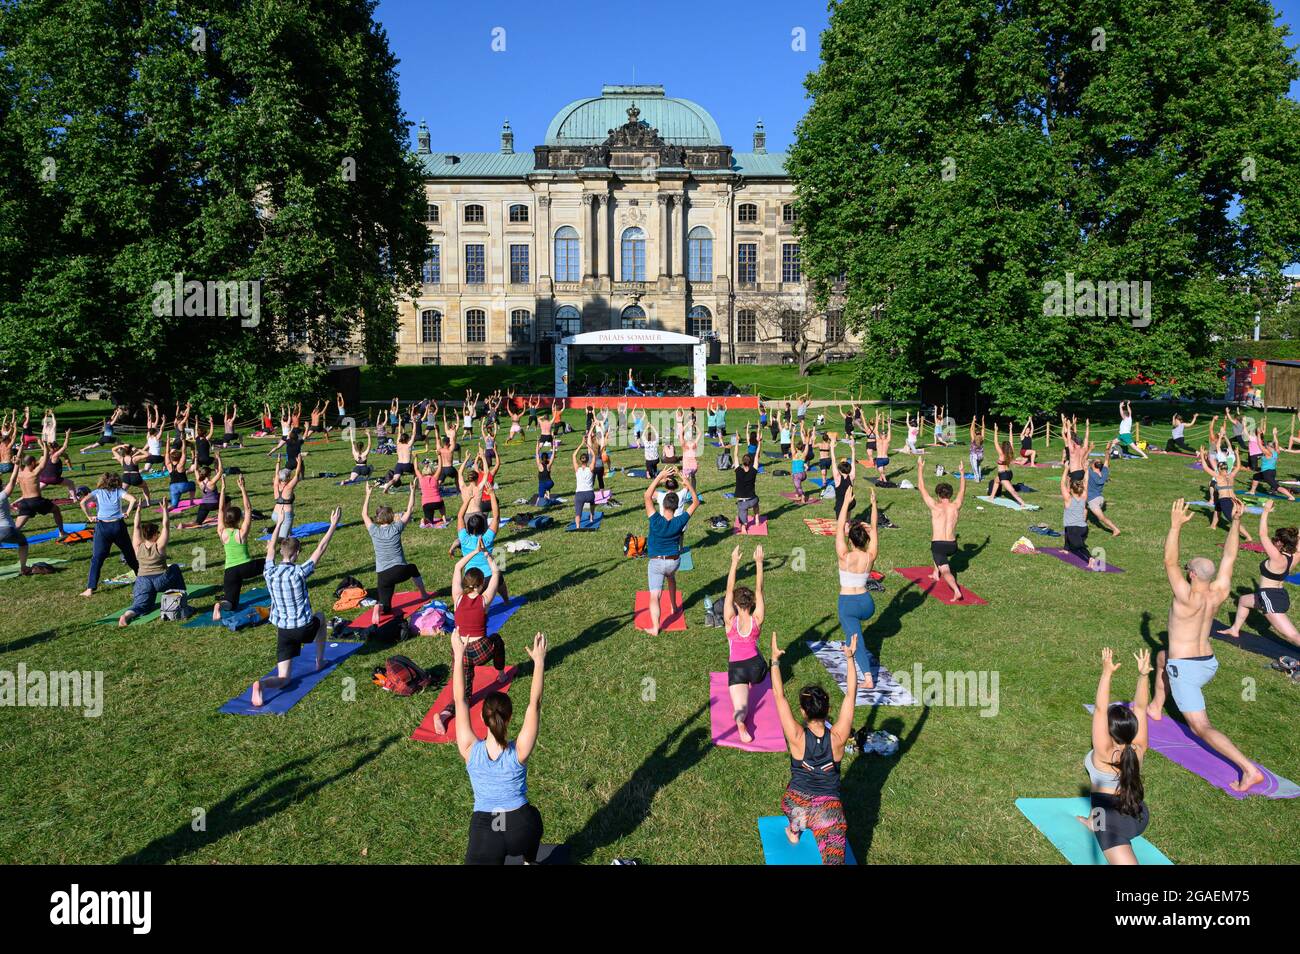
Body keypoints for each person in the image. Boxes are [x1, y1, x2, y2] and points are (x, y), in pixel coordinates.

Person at [1149, 498, 1265, 792]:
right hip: (1208, 663)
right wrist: (1236, 522)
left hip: (1186, 670)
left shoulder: (1186, 596)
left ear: (1191, 575)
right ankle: (1155, 706)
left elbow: (1168, 561)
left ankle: (1248, 769)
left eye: (1187, 569)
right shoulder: (1219, 591)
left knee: (1201, 727)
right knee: (1161, 656)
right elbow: (1229, 557)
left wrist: (1175, 526)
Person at [451, 629, 547, 865]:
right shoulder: (519, 752)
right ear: (510, 718)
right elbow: (534, 704)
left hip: (485, 834)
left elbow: (460, 700)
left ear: (483, 719)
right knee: (534, 817)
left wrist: (459, 654)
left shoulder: (469, 750)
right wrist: (539, 662)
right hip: (521, 830)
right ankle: (529, 861)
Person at [770, 629, 856, 864]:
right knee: (834, 853)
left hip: (796, 806)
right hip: (828, 815)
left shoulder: (797, 736)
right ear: (828, 710)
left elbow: (779, 696)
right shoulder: (838, 737)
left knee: (797, 806)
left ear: (803, 711)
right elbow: (850, 696)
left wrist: (775, 661)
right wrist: (849, 658)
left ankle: (794, 831)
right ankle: (808, 831)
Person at [252, 506, 344, 708]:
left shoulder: (269, 572)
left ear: (282, 552)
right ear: (297, 553)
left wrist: (279, 524)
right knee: (320, 616)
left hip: (283, 631)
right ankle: (320, 661)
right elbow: (320, 549)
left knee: (283, 678)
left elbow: (270, 550)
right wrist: (333, 525)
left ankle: (261, 685)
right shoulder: (299, 572)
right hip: (302, 628)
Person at [1079, 647, 1152, 864]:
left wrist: (1106, 673)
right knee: (1102, 805)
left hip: (1112, 823)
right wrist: (1143, 675)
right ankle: (1095, 822)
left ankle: (1099, 825)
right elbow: (1140, 707)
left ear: (1109, 732)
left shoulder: (1104, 753)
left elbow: (1100, 709)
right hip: (1139, 813)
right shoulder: (1137, 747)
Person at [431, 543, 506, 735]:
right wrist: (487, 555)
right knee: (497, 640)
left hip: (460, 652)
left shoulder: (456, 598)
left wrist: (473, 552)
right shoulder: (484, 600)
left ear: (465, 583)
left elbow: (457, 567)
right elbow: (496, 574)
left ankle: (445, 714)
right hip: (479, 650)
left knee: (463, 695)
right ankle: (501, 673)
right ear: (481, 585)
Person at [1222, 501, 1300, 647]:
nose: (1274, 540)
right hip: (1278, 594)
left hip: (1270, 599)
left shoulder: (1277, 558)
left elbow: (1262, 534)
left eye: (1276, 539)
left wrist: (1265, 511)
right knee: (1244, 600)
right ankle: (1234, 629)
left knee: (1292, 635)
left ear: (1281, 544)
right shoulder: (1294, 556)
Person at [643, 466, 700, 636]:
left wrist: (660, 475)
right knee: (671, 577)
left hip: (656, 563)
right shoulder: (680, 521)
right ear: (676, 507)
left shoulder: (655, 519)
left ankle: (655, 628)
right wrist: (687, 483)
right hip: (674, 562)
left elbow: (647, 496)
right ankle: (674, 606)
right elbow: (695, 502)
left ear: (662, 505)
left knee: (655, 596)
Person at [362, 481, 429, 617]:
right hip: (400, 570)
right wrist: (412, 490)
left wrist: (368, 494)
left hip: (383, 576)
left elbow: (364, 515)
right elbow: (409, 509)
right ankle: (423, 594)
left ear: (377, 518)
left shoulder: (373, 530)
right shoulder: (396, 528)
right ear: (391, 517)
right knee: (413, 568)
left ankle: (379, 608)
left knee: (386, 607)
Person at [723, 544, 769, 744]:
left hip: (737, 670)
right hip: (757, 669)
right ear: (751, 604)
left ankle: (741, 724)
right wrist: (759, 563)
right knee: (757, 653)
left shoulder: (729, 620)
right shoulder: (757, 619)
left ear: (735, 603)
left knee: (741, 709)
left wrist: (734, 562)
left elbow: (728, 589)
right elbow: (759, 589)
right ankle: (742, 720)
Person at [835, 485, 879, 687]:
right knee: (851, 635)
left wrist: (845, 502)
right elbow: (875, 528)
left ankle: (868, 678)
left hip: (849, 605)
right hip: (867, 604)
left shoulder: (844, 556)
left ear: (850, 540)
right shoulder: (870, 556)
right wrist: (874, 505)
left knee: (855, 639)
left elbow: (838, 527)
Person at [119, 504, 186, 626]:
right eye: (158, 533)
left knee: (140, 606)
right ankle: (181, 595)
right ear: (155, 534)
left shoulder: (137, 546)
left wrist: (138, 511)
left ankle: (126, 615)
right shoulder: (159, 546)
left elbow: (137, 527)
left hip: (143, 581)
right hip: (161, 580)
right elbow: (166, 526)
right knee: (175, 567)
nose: (159, 534)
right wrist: (165, 510)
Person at [79, 472, 140, 596]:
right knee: (129, 555)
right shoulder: (119, 491)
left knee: (97, 558)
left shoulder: (97, 492)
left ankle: (90, 588)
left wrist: (90, 516)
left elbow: (82, 503)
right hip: (118, 526)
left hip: (103, 527)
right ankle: (142, 577)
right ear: (116, 481)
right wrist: (127, 512)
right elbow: (133, 499)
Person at [917, 458, 966, 600]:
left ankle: (956, 591)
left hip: (938, 545)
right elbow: (962, 490)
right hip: (952, 545)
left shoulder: (935, 506)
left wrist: (920, 467)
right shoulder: (956, 505)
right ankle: (935, 572)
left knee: (946, 569)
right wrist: (962, 473)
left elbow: (921, 487)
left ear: (938, 495)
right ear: (950, 494)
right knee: (938, 554)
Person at [213, 475, 260, 620]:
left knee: (230, 604)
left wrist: (223, 488)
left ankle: (218, 606)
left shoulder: (222, 532)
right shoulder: (242, 533)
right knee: (268, 563)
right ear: (239, 519)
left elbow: (220, 509)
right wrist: (242, 488)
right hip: (246, 568)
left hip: (230, 572)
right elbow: (248, 508)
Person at [454, 490, 507, 600]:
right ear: (484, 526)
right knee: (500, 581)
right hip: (490, 576)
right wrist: (492, 494)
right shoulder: (487, 538)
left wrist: (468, 499)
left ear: (468, 526)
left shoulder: (464, 538)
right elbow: (496, 517)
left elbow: (460, 516)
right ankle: (506, 601)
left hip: (472, 579)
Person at [1060, 469, 1103, 570]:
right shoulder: (1084, 497)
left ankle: (1091, 559)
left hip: (1074, 529)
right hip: (1083, 528)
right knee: (1067, 530)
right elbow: (1086, 482)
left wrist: (1066, 469)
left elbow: (1062, 483)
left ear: (1070, 489)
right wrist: (1087, 469)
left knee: (1079, 547)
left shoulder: (1068, 499)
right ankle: (1066, 549)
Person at [0, 465, 31, 575]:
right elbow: (12, 480)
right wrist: (17, 465)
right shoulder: (2, 496)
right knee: (23, 543)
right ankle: (23, 567)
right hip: (6, 530)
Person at [1248, 429, 1294, 501]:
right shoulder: (1276, 451)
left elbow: (1259, 444)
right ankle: (1252, 491)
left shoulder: (1268, 453)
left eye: (1266, 446)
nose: (1265, 447)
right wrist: (1274, 435)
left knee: (1276, 486)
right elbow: (1276, 443)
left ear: (1269, 447)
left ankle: (1290, 496)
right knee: (1256, 476)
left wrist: (1258, 434)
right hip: (1272, 471)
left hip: (1267, 473)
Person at [730, 434, 762, 529]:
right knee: (756, 503)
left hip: (742, 502)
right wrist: (759, 443)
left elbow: (735, 455)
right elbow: (756, 456)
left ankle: (744, 526)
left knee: (742, 514)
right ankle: (756, 519)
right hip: (753, 500)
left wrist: (737, 441)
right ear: (750, 462)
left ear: (742, 462)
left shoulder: (738, 471)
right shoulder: (753, 470)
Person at [1086, 455, 1121, 536]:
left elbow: (1083, 461)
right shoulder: (1104, 472)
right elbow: (1106, 462)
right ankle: (1082, 524)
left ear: (1092, 465)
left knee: (1101, 518)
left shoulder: (1090, 472)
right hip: (1100, 499)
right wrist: (1107, 451)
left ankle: (1115, 529)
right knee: (1084, 507)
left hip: (1092, 500)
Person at [270, 456, 303, 540]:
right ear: (288, 478)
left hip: (275, 514)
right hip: (285, 516)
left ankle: (287, 530)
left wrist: (278, 461)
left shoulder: (276, 484)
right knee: (282, 539)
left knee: (286, 524)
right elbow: (297, 474)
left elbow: (276, 472)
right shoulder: (289, 487)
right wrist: (299, 462)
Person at [572, 435, 597, 526]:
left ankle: (578, 526)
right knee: (592, 503)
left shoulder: (577, 470)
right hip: (590, 494)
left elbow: (574, 455)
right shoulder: (590, 468)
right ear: (587, 460)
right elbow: (594, 455)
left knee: (578, 513)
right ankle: (592, 516)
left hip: (579, 495)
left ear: (580, 461)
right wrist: (587, 445)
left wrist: (581, 443)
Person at [417, 459, 446, 527]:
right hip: (437, 503)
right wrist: (439, 456)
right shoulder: (435, 478)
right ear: (432, 471)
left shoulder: (421, 479)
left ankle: (426, 520)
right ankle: (444, 518)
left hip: (426, 504)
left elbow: (416, 469)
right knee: (442, 504)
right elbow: (440, 467)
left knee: (430, 521)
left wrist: (415, 458)